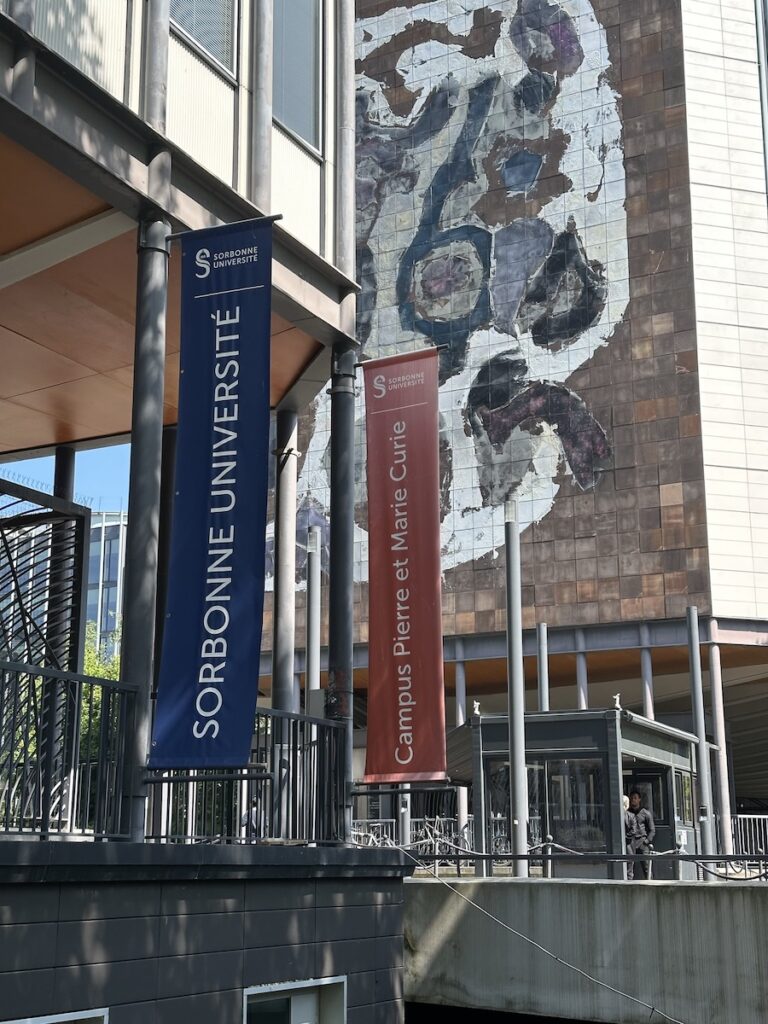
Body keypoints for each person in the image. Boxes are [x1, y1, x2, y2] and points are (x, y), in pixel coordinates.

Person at [625, 789, 655, 880]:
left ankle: (651, 884)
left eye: (635, 798)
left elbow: (652, 829)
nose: (633, 800)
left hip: (642, 842)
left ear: (639, 799)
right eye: (631, 798)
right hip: (631, 842)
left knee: (646, 867)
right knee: (629, 867)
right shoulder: (627, 813)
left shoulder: (645, 813)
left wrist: (646, 841)